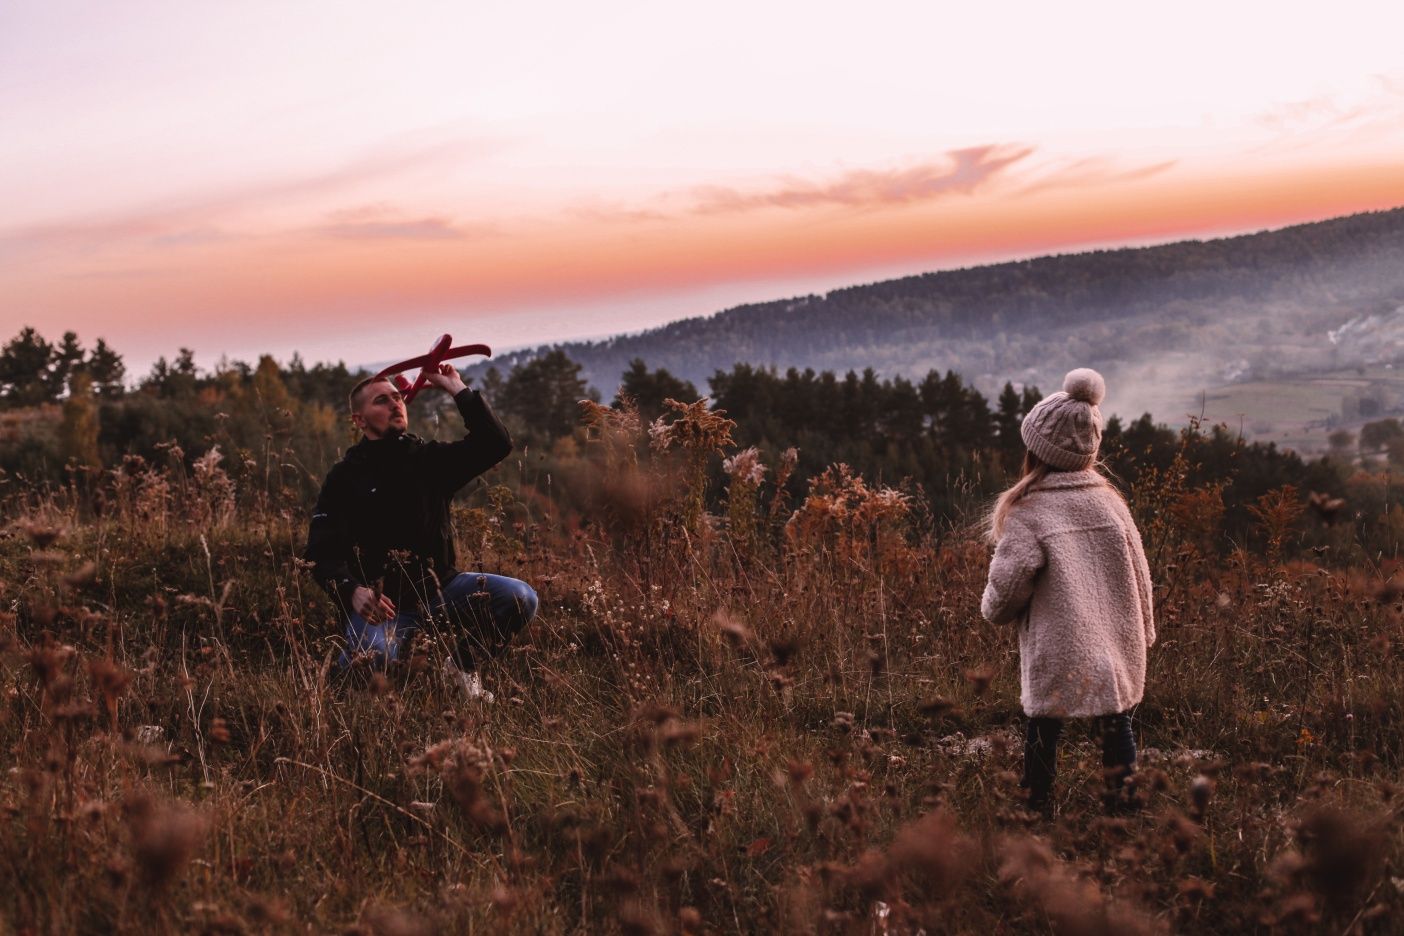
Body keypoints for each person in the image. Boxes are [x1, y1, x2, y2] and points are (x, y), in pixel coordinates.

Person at [304, 362, 537, 699]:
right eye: (381, 401)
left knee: (520, 597)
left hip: (444, 591)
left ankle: (461, 667)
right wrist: (352, 591)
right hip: (382, 608)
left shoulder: (429, 460)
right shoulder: (344, 477)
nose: (395, 403)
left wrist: (456, 387)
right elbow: (319, 552)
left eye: (397, 397)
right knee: (370, 665)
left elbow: (495, 443)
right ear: (359, 420)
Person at [980, 368, 1155, 815]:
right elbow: (1140, 574)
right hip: (1116, 641)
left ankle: (1035, 808)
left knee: (1043, 728)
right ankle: (1123, 809)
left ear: (1036, 451)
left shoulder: (1029, 512)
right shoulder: (1111, 502)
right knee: (1116, 727)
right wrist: (1145, 630)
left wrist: (992, 608)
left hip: (1058, 645)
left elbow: (1005, 592)